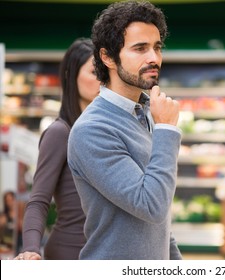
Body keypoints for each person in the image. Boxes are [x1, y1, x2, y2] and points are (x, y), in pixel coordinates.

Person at [67, 0, 182, 260]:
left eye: (157, 47)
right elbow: (150, 205)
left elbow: (160, 218)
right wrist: (166, 128)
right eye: (140, 48)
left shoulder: (145, 113)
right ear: (107, 57)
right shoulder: (93, 129)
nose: (154, 58)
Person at [14, 38, 100, 260]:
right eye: (94, 72)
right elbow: (39, 199)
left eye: (106, 73)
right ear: (71, 76)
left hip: (106, 254)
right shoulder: (60, 133)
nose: (103, 81)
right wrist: (31, 249)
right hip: (69, 255)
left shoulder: (109, 132)